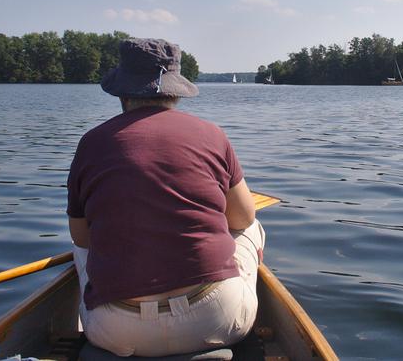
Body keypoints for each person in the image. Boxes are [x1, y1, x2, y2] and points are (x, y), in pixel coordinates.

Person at [67, 38, 264, 357]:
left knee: (80, 249)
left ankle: (69, 325)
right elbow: (243, 218)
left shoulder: (91, 143)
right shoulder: (212, 134)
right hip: (214, 320)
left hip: (118, 331)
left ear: (122, 91)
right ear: (175, 90)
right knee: (252, 228)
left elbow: (81, 236)